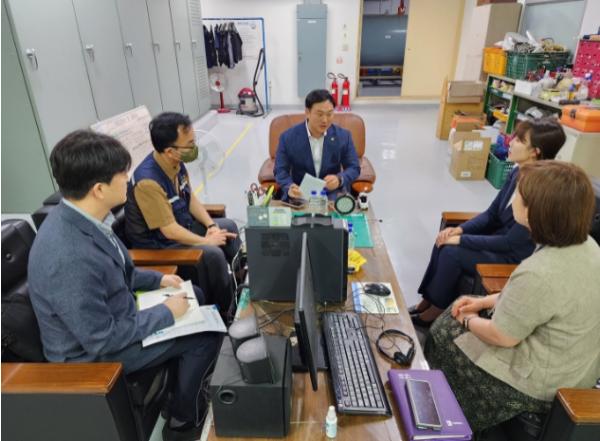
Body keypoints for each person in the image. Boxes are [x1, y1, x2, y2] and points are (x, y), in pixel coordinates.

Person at [27, 130, 220, 441]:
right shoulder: (67, 255)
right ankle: (183, 421)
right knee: (206, 334)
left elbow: (118, 271)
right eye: (122, 175)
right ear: (99, 189)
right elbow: (102, 339)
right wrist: (166, 313)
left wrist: (158, 279)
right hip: (93, 358)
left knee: (192, 294)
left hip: (116, 317)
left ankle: (179, 391)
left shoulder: (85, 218)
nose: (129, 180)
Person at [425, 161, 600, 438]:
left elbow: (502, 336)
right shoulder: (588, 247)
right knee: (463, 307)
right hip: (575, 365)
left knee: (444, 334)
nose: (513, 198)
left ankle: (445, 420)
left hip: (543, 385)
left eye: (519, 194)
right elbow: (539, 300)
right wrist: (483, 303)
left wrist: (468, 319)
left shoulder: (539, 272)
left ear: (534, 211)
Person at [411, 118, 566, 327]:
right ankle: (426, 301)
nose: (510, 142)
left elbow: (510, 243)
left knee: (451, 252)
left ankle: (435, 311)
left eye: (519, 140)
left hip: (511, 254)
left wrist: (461, 240)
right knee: (445, 237)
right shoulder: (517, 171)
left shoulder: (541, 191)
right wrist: (459, 230)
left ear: (535, 152)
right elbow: (492, 213)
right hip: (498, 238)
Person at [125, 112, 241, 315]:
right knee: (212, 254)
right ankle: (225, 311)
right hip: (159, 245)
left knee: (227, 226)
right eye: (190, 144)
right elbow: (169, 230)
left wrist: (211, 226)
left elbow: (190, 198)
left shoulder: (176, 163)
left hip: (180, 226)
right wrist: (206, 241)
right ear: (170, 151)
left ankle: (240, 284)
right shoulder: (148, 182)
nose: (195, 148)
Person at [274, 89, 361, 201]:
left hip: (331, 193)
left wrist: (339, 179)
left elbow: (354, 167)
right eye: (320, 114)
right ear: (307, 112)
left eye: (329, 114)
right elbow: (280, 170)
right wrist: (289, 187)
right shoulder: (288, 137)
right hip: (300, 193)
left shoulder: (343, 136)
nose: (325, 120)